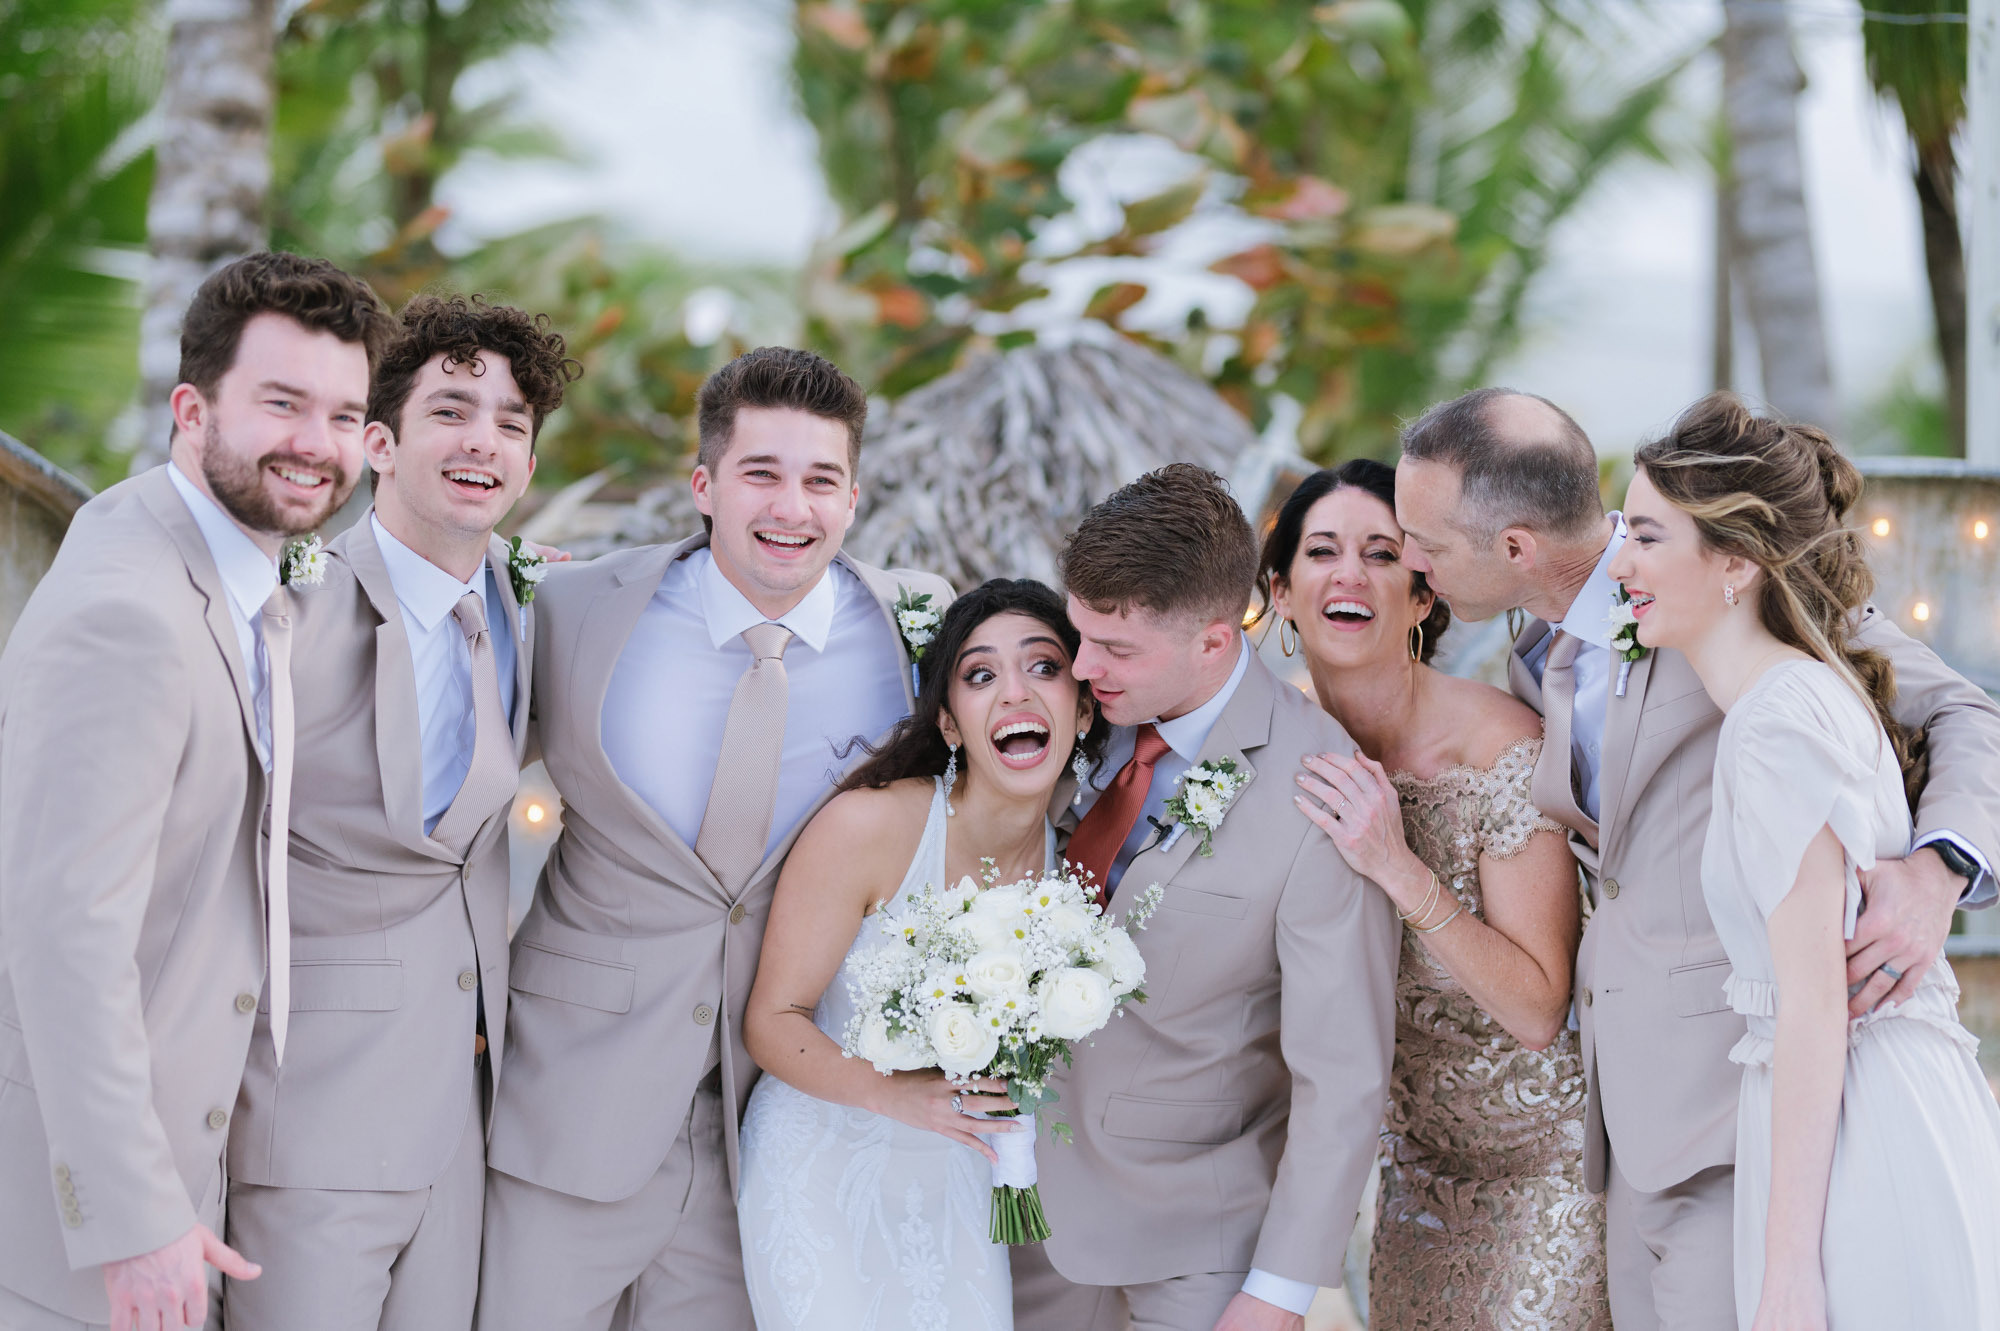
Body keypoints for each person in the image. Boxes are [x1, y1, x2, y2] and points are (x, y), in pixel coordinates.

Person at [1393, 387, 2000, 1329]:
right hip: (1632, 1123)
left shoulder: (1729, 592)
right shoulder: (1529, 664)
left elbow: (1966, 712)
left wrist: (1938, 873)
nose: (1414, 572)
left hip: (1754, 1100)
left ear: (1512, 546)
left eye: (1423, 547)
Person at [475, 346, 952, 1331]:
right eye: (761, 473)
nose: (792, 507)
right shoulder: (574, 608)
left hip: (773, 1125)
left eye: (820, 479)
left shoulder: (921, 631)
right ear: (704, 483)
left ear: (853, 497)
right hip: (570, 1099)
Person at [0, 252, 392, 1331]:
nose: (317, 444)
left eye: (345, 413)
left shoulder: (228, 568)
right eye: (281, 403)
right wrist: (132, 1213)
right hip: (78, 1223)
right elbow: (61, 933)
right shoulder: (127, 614)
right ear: (191, 408)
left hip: (195, 1172)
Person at [222, 295, 578, 1330]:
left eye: (511, 423)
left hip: (462, 1139)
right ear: (378, 440)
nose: (484, 440)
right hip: (303, 1132)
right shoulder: (283, 612)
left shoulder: (528, 609)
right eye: (452, 410)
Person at [1609, 394, 2000, 1329]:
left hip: (1859, 1122)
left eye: (1649, 537)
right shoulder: (1804, 693)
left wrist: (1788, 1270)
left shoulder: (1776, 722)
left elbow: (1816, 1003)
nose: (1619, 560)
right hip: (1879, 1099)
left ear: (1736, 563)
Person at [1010, 464, 1401, 1331]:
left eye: (1116, 649)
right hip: (1021, 1220)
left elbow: (1342, 1072)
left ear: (1217, 643)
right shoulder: (1064, 715)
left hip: (1200, 1253)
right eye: (1081, 633)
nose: (1081, 665)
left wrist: (1281, 1290)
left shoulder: (1319, 789)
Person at [1261, 460, 1607, 1330]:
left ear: (1421, 597)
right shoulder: (1270, 749)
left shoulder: (1499, 746)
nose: (1351, 575)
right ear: (1282, 591)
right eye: (1322, 552)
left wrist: (1397, 864)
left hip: (1548, 1173)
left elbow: (1537, 1007)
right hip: (1415, 1179)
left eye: (1382, 554)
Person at [736, 578, 1102, 1330]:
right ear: (949, 722)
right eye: (980, 674)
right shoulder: (871, 826)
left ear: (1084, 707)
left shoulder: (1075, 864)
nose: (1014, 694)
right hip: (820, 1168)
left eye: (1043, 667)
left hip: (956, 1178)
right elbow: (772, 1019)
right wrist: (893, 1094)